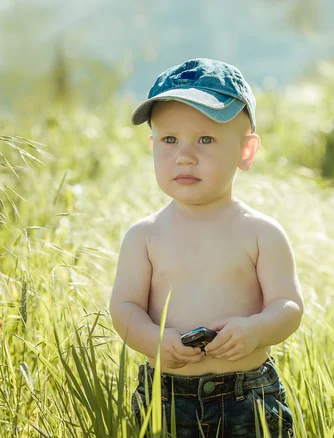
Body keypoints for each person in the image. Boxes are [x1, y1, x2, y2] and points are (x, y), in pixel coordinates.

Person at [109, 58, 304, 437]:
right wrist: (154, 340)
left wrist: (255, 330)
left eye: (205, 139)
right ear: (153, 146)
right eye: (170, 140)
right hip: (165, 400)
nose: (184, 154)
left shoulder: (261, 232)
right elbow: (125, 308)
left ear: (246, 152)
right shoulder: (144, 236)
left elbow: (289, 307)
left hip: (247, 397)